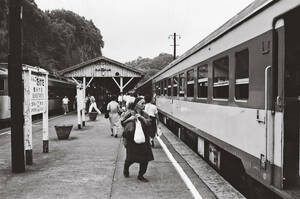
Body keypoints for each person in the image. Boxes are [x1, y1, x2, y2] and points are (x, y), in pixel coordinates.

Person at [121, 97, 155, 182]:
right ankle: (126, 168)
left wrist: (142, 118)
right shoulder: (129, 113)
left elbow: (149, 123)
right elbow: (122, 123)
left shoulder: (145, 114)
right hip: (131, 140)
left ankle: (141, 175)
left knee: (145, 159)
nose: (144, 105)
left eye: (144, 103)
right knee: (130, 158)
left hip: (144, 139)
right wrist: (130, 119)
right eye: (142, 103)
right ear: (136, 104)